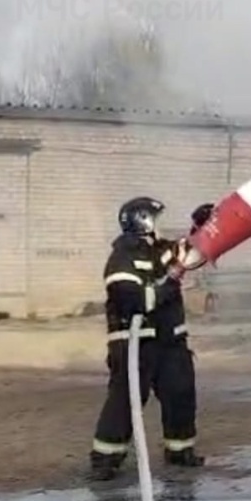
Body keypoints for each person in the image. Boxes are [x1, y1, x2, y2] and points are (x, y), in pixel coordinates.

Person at [88, 196, 213, 481]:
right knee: (125, 401)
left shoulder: (161, 250)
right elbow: (133, 300)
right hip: (135, 343)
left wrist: (203, 227)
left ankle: (180, 450)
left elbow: (191, 254)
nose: (160, 226)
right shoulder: (121, 259)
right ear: (143, 221)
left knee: (181, 394)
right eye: (156, 220)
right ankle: (105, 459)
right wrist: (168, 284)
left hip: (171, 341)